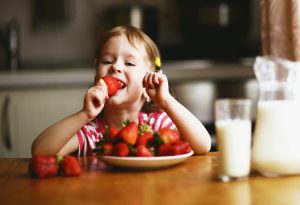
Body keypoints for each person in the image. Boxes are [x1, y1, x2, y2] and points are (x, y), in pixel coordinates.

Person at [31, 25, 211, 156]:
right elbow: (40, 152)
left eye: (130, 63)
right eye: (107, 61)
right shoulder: (92, 131)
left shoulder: (156, 125)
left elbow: (203, 146)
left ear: (147, 84)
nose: (115, 67)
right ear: (96, 79)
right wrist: (84, 114)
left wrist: (166, 101)